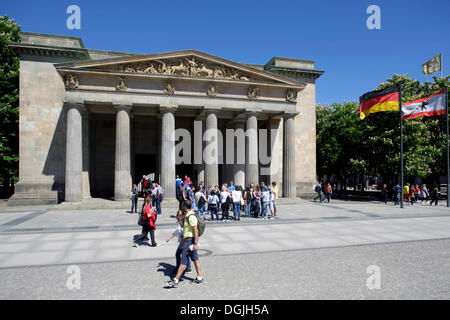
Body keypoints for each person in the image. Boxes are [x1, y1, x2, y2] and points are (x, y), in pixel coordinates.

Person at [166, 200, 203, 288]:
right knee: (195, 258)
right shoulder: (187, 216)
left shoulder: (191, 217)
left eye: (182, 205)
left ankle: (176, 280)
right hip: (188, 240)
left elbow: (195, 230)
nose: (181, 207)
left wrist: (196, 243)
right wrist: (182, 242)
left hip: (189, 241)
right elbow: (186, 231)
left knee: (183, 261)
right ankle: (199, 277)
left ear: (185, 207)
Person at [166, 210, 192, 277]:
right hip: (182, 241)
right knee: (186, 255)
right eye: (178, 214)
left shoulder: (185, 222)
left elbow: (184, 232)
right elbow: (177, 231)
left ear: (183, 215)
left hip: (184, 241)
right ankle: (188, 268)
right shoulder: (180, 222)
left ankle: (179, 269)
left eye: (180, 214)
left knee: (178, 254)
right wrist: (169, 237)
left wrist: (181, 243)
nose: (178, 215)